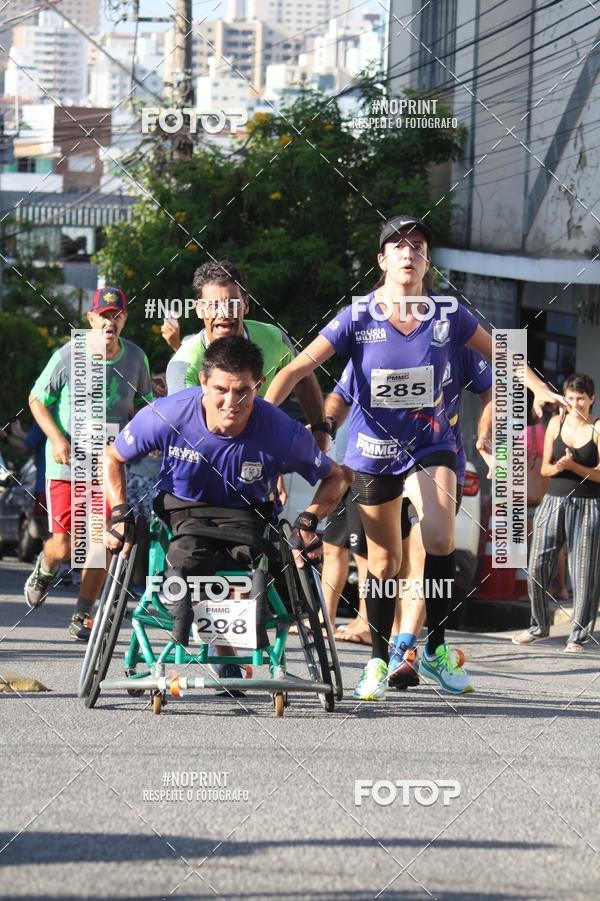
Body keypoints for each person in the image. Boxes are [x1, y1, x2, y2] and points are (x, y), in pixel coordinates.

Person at [265, 213, 565, 700]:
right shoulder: (357, 317)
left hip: (432, 445)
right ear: (382, 260)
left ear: (427, 262)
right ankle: (378, 661)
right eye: (399, 246)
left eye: (419, 246)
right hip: (373, 452)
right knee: (382, 566)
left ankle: (436, 648)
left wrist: (539, 389)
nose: (409, 253)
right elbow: (299, 367)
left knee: (441, 534)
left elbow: (502, 352)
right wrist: (263, 418)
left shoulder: (448, 314)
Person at [105, 335, 352, 682]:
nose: (231, 402)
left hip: (246, 511)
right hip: (184, 508)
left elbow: (337, 477)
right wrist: (119, 512)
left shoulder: (280, 429)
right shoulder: (169, 413)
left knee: (252, 566)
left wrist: (309, 520)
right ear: (203, 382)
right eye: (221, 389)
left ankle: (233, 644)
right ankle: (194, 630)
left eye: (243, 391)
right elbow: (113, 456)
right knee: (187, 558)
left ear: (259, 386)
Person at [24, 286, 153, 640]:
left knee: (100, 542)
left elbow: (144, 406)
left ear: (124, 319)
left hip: (107, 466)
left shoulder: (136, 359)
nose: (109, 323)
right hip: (67, 465)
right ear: (91, 319)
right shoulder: (68, 355)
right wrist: (56, 438)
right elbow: (36, 399)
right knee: (65, 545)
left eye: (117, 316)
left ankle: (83, 612)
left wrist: (150, 437)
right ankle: (46, 564)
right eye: (103, 316)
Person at [387, 346, 493, 689]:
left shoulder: (456, 337)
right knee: (388, 563)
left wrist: (485, 433)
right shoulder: (375, 331)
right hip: (382, 463)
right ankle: (393, 648)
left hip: (439, 461)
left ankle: (406, 648)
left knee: (422, 555)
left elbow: (495, 383)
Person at [164, 260, 331, 450]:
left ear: (246, 304)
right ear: (199, 309)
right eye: (213, 305)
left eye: (232, 303)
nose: (224, 313)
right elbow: (184, 433)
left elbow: (302, 374)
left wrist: (320, 427)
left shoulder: (274, 338)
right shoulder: (183, 366)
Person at [513, 374, 600, 653]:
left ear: (592, 399)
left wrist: (575, 467)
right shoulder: (556, 422)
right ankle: (538, 625)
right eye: (571, 398)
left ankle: (578, 636)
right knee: (537, 563)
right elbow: (545, 469)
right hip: (553, 502)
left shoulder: (597, 428)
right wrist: (562, 466)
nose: (575, 403)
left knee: (583, 572)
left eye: (581, 399)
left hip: (587, 505)